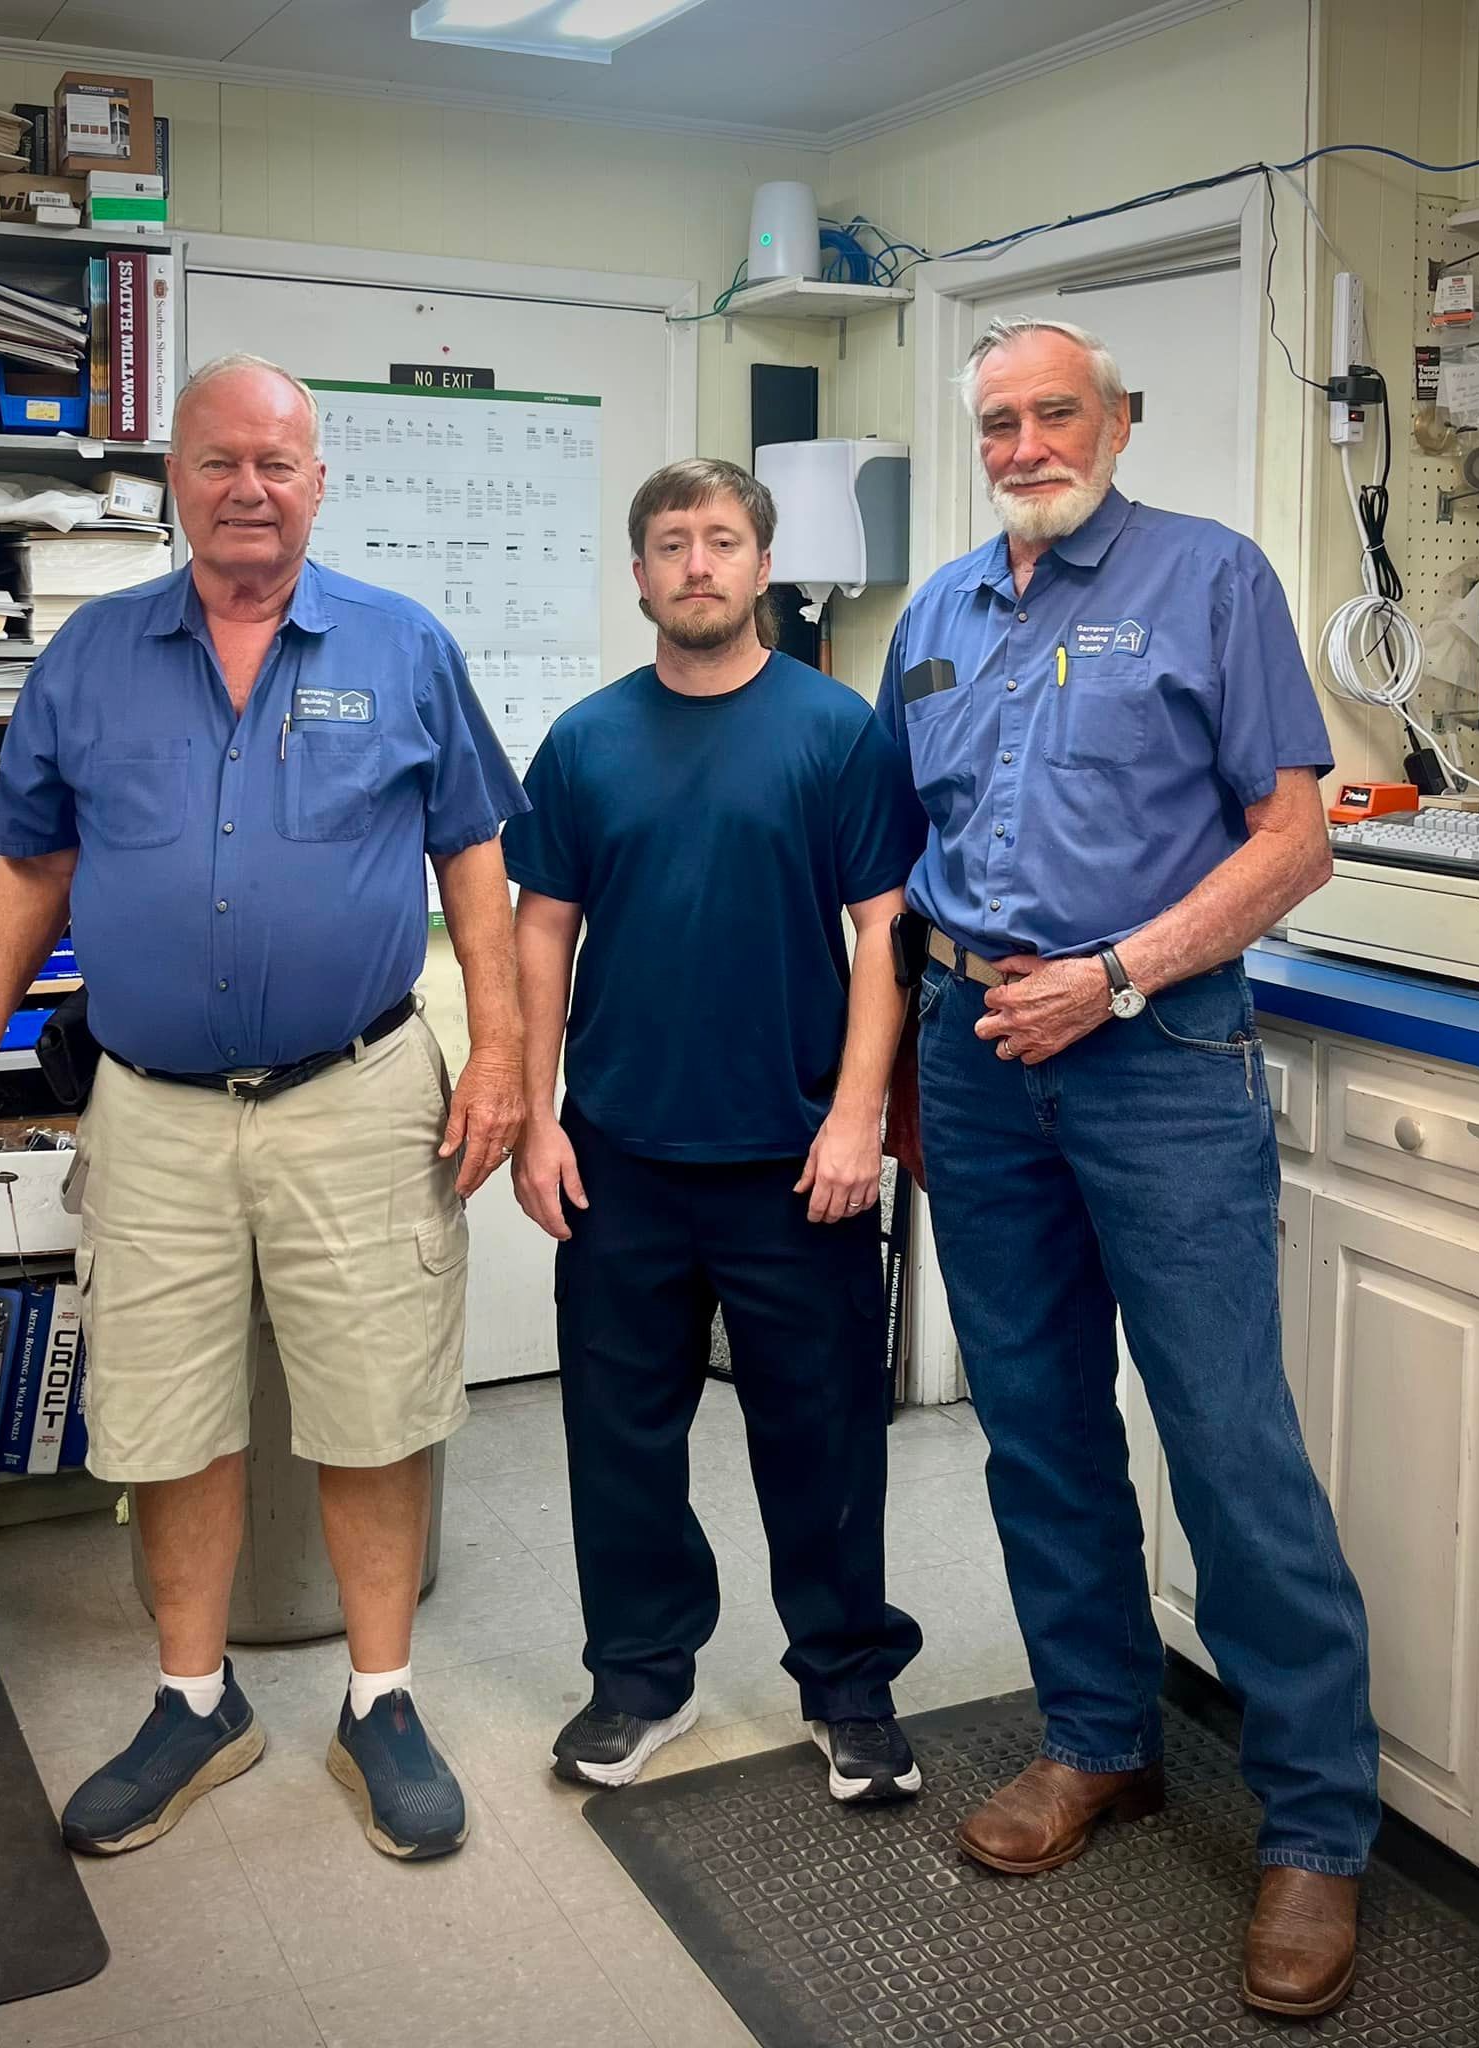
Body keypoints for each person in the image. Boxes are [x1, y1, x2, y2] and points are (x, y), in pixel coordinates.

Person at [0, 353, 528, 1864]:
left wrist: (505, 1055)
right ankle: (197, 1703)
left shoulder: (403, 647)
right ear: (172, 479)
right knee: (166, 1413)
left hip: (360, 1092)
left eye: (278, 461)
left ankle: (379, 1701)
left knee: (375, 1405)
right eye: (216, 461)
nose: (248, 487)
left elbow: (474, 865)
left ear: (320, 480)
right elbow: (31, 869)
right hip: (154, 1110)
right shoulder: (90, 656)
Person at [877, 317, 1378, 2019]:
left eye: (1054, 414)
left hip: (1151, 1055)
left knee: (1229, 1444)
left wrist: (1115, 972)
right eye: (999, 421)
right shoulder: (935, 615)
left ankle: (1315, 1829)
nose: (1025, 443)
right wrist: (897, 1063)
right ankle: (1101, 1742)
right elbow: (903, 857)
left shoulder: (1208, 577)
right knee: (1033, 1425)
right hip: (972, 1050)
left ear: (1118, 421)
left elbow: (1293, 838)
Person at [504, 458, 927, 1801]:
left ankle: (848, 1690)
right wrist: (531, 1113)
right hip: (619, 1159)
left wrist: (859, 1117)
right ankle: (638, 1685)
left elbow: (885, 931)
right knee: (620, 1442)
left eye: (723, 541)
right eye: (671, 544)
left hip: (796, 1157)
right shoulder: (581, 742)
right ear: (637, 574)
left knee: (825, 1443)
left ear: (759, 568)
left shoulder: (834, 732)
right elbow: (539, 928)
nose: (697, 563)